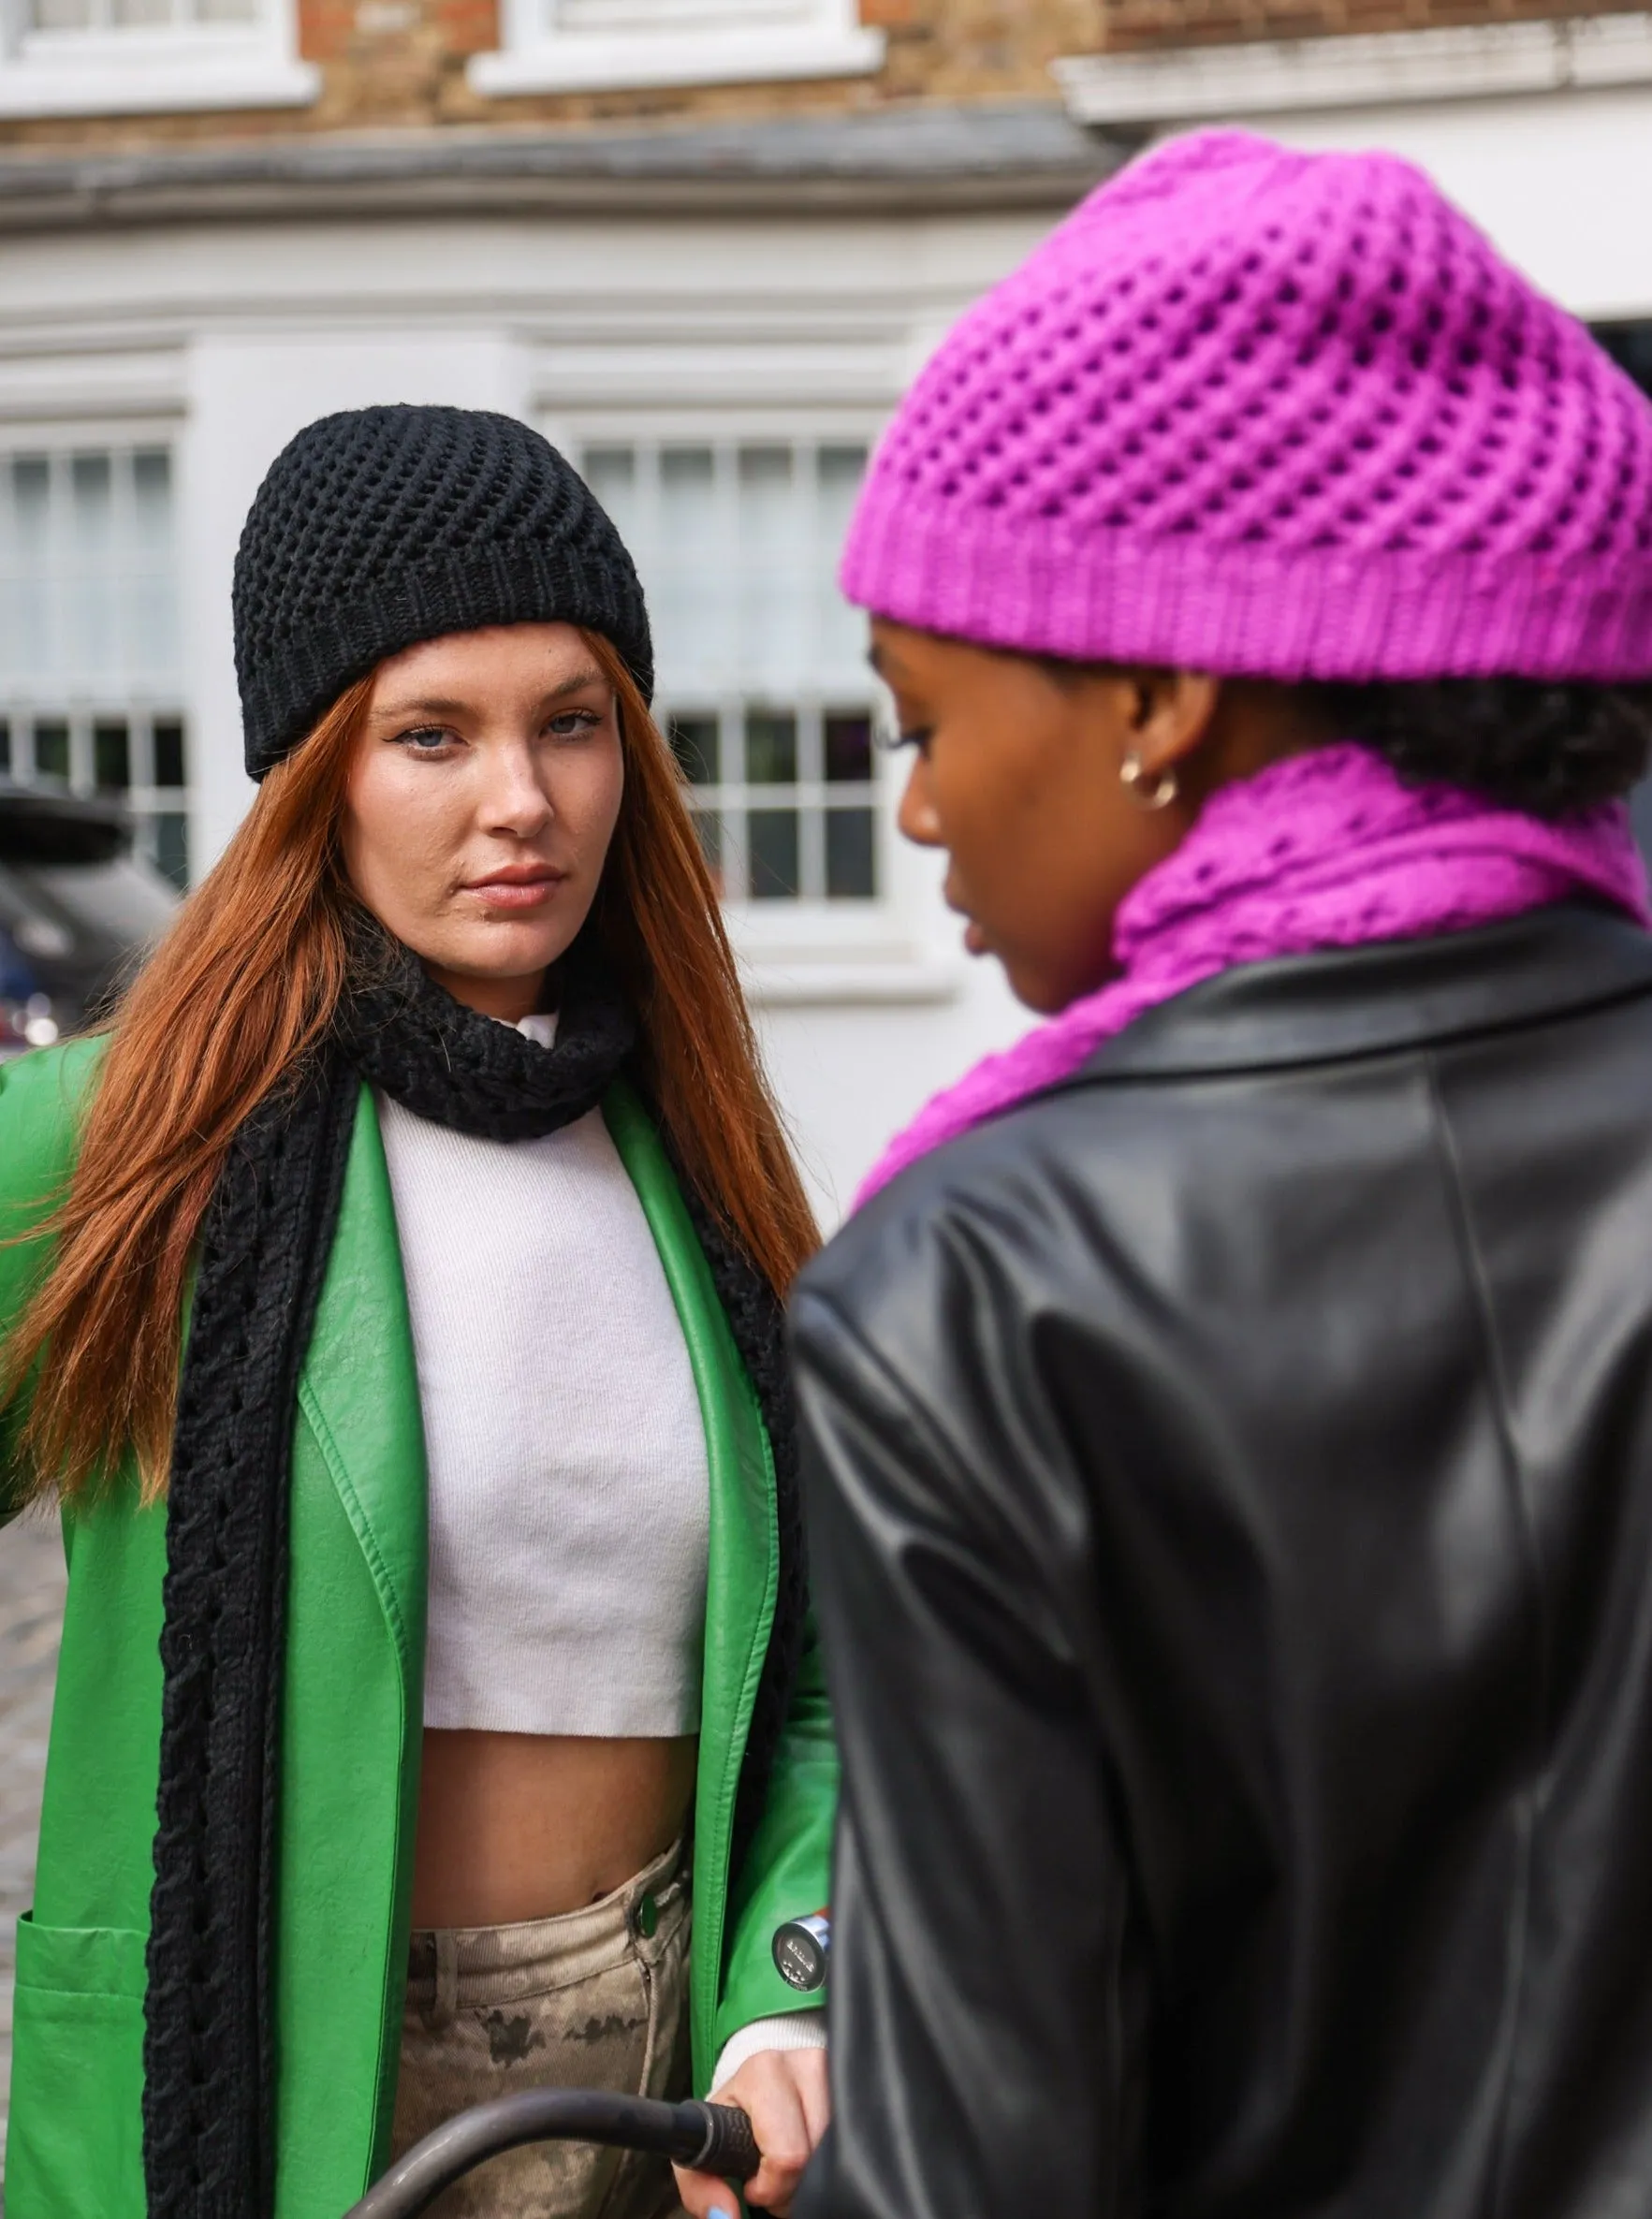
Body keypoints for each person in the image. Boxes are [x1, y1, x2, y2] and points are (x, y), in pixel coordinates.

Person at [789, 131, 1652, 2219]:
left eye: (920, 719)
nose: (915, 816)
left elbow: (981, 2174)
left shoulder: (972, 1289)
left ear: (1160, 692)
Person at [0, 405, 834, 2219]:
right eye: (430, 735)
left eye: (572, 723)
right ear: (318, 772)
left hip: (656, 2106)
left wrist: (788, 1996)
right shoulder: (129, 1133)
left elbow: (822, 1674)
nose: (520, 802)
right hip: (273, 2090)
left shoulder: (705, 1160)